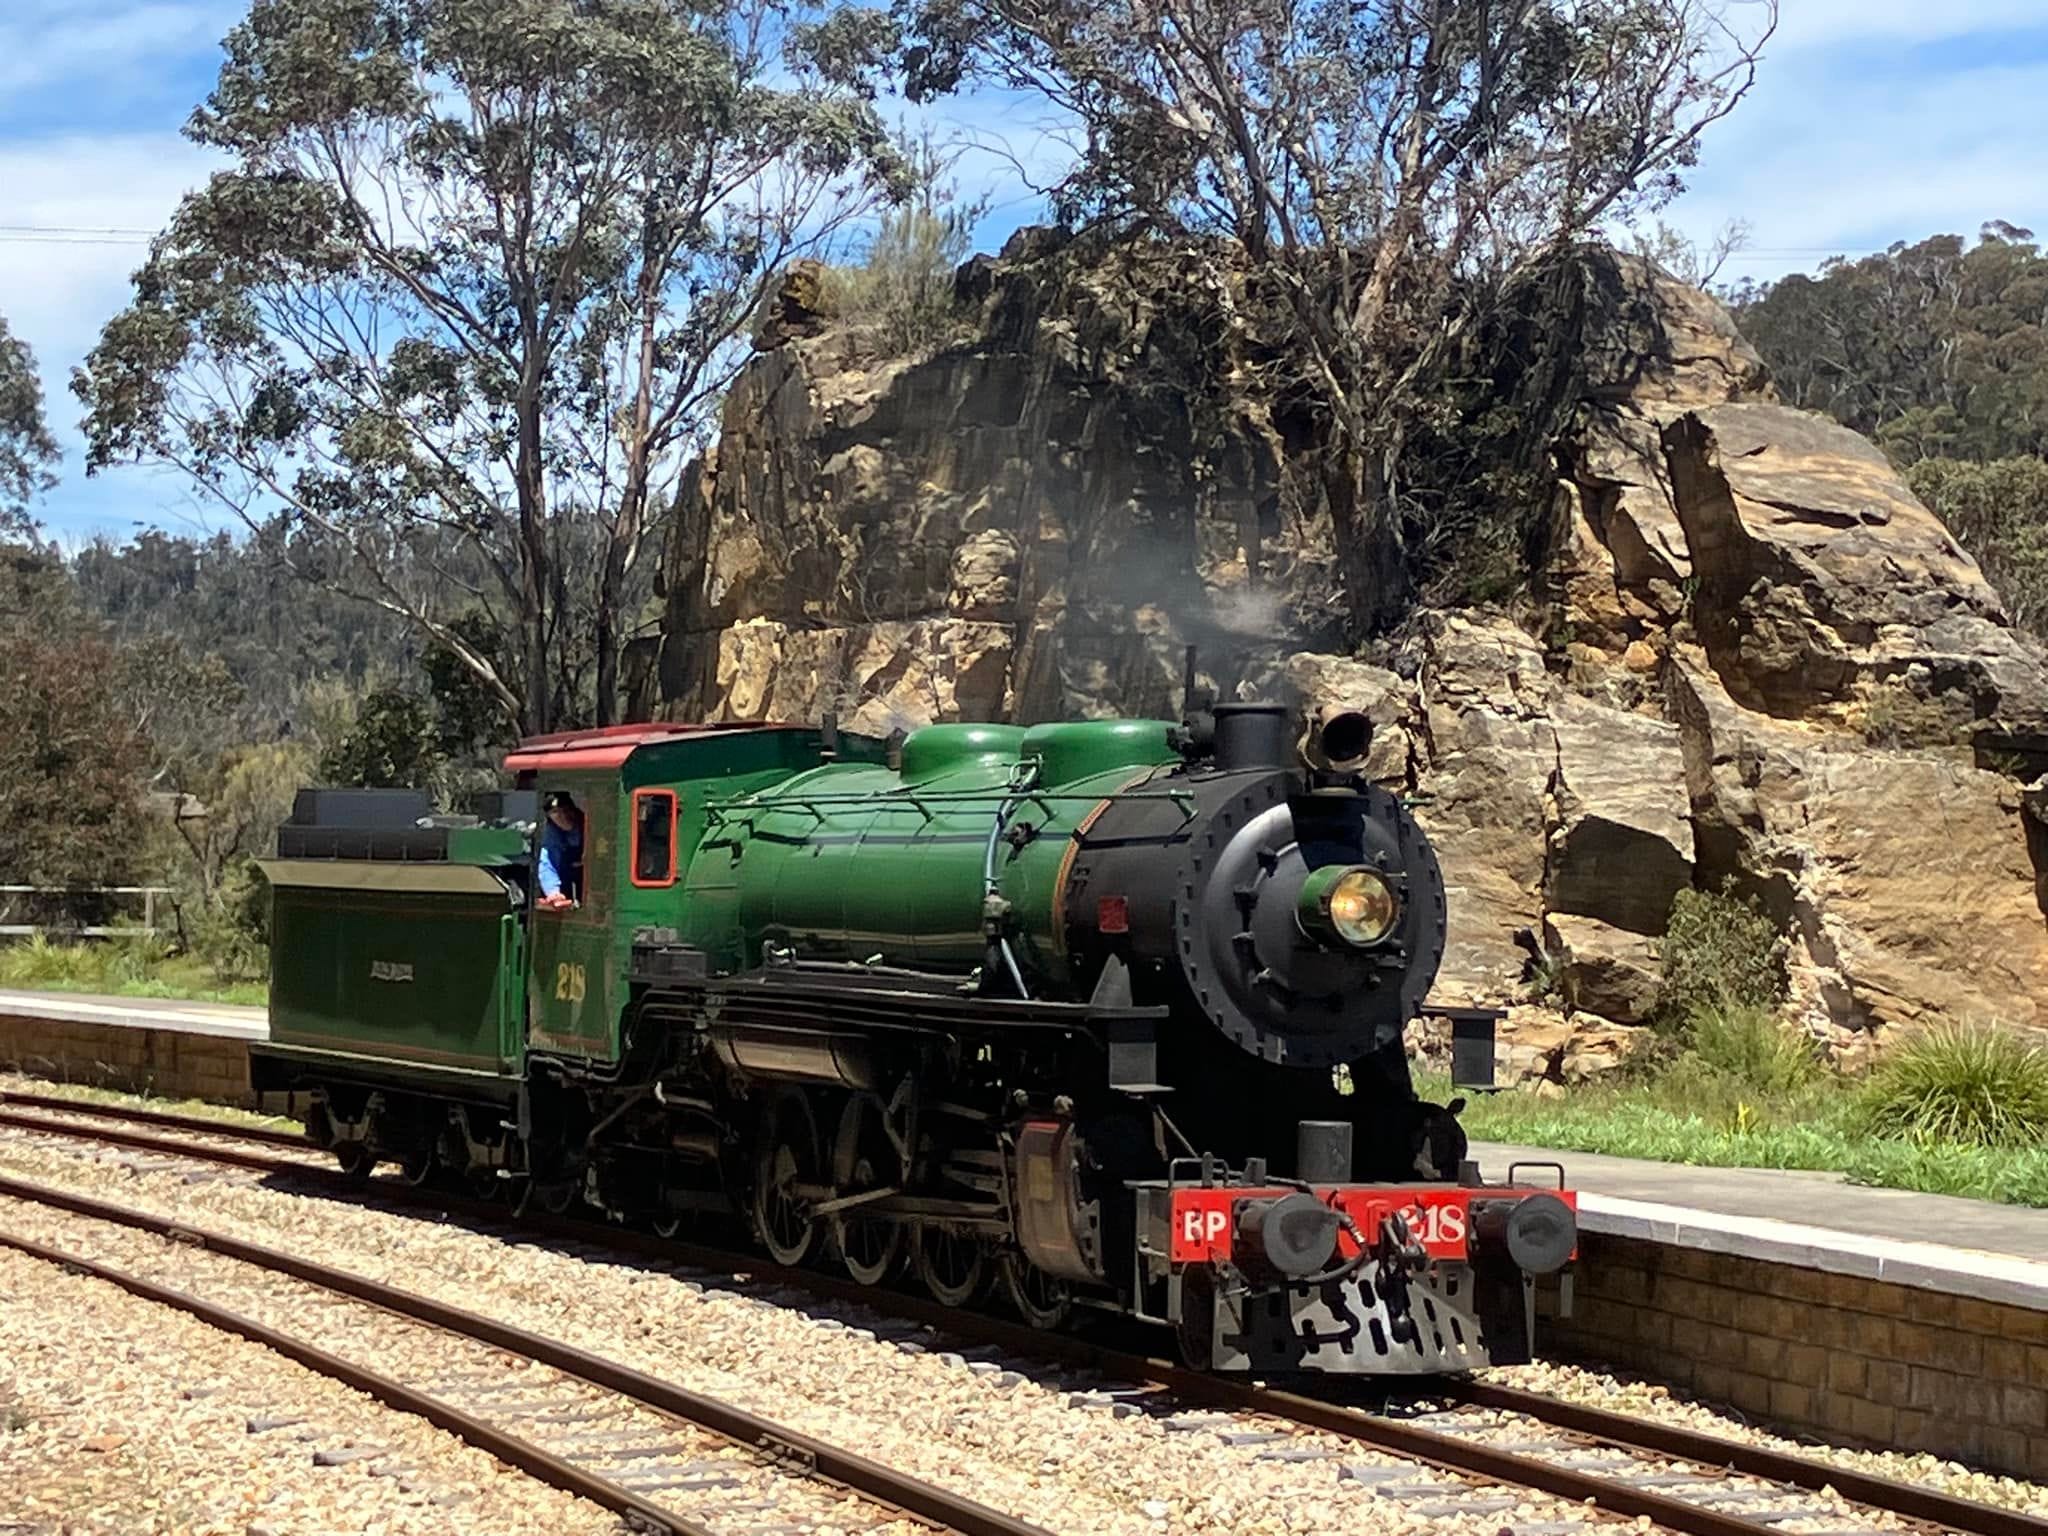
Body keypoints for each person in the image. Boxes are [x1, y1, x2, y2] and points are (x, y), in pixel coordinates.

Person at [537, 791, 584, 909]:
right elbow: (546, 862)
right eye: (555, 812)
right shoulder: (551, 833)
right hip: (567, 886)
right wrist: (553, 892)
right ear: (549, 816)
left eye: (565, 809)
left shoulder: (588, 822)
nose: (562, 816)